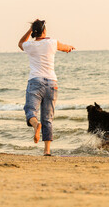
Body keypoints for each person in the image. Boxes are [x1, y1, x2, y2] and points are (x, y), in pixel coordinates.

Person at [18, 19, 75, 156]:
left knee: (30, 110)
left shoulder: (30, 46)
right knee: (48, 118)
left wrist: (30, 30)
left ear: (34, 31)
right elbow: (66, 47)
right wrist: (70, 48)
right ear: (44, 30)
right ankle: (47, 151)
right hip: (51, 83)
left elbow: (20, 43)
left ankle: (35, 125)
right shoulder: (52, 43)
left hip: (35, 81)